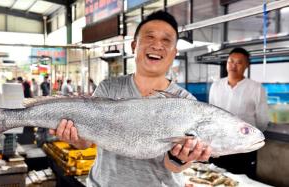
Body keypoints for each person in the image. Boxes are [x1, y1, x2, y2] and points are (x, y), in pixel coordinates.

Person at [50, 11, 212, 187]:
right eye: (149, 37)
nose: (157, 45)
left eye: (166, 40)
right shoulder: (109, 88)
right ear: (134, 46)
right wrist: (74, 138)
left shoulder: (186, 102)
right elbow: (87, 142)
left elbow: (173, 166)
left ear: (174, 53)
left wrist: (181, 158)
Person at [208, 47, 269, 179]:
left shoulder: (256, 88)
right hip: (219, 144)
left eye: (239, 62)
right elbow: (211, 114)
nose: (233, 65)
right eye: (231, 61)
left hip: (243, 147)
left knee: (243, 180)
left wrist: (250, 138)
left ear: (247, 65)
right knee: (214, 178)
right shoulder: (216, 86)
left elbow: (262, 121)